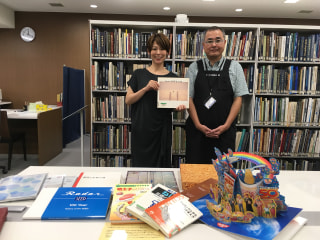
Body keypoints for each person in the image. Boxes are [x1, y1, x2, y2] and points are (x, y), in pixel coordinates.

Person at [185, 26, 249, 164]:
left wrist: (226, 126)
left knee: (224, 175)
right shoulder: (193, 68)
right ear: (203, 45)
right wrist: (197, 125)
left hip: (224, 134)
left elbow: (238, 99)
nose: (214, 44)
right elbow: (188, 98)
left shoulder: (235, 67)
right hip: (197, 133)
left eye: (218, 40)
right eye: (209, 41)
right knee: (195, 174)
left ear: (225, 43)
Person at [125, 33, 185, 167]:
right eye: (154, 49)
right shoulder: (138, 74)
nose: (158, 53)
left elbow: (171, 106)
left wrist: (178, 108)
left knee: (162, 167)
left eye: (162, 49)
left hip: (162, 131)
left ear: (167, 52)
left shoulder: (173, 78)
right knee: (140, 166)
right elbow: (128, 100)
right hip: (141, 128)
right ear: (149, 51)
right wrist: (145, 89)